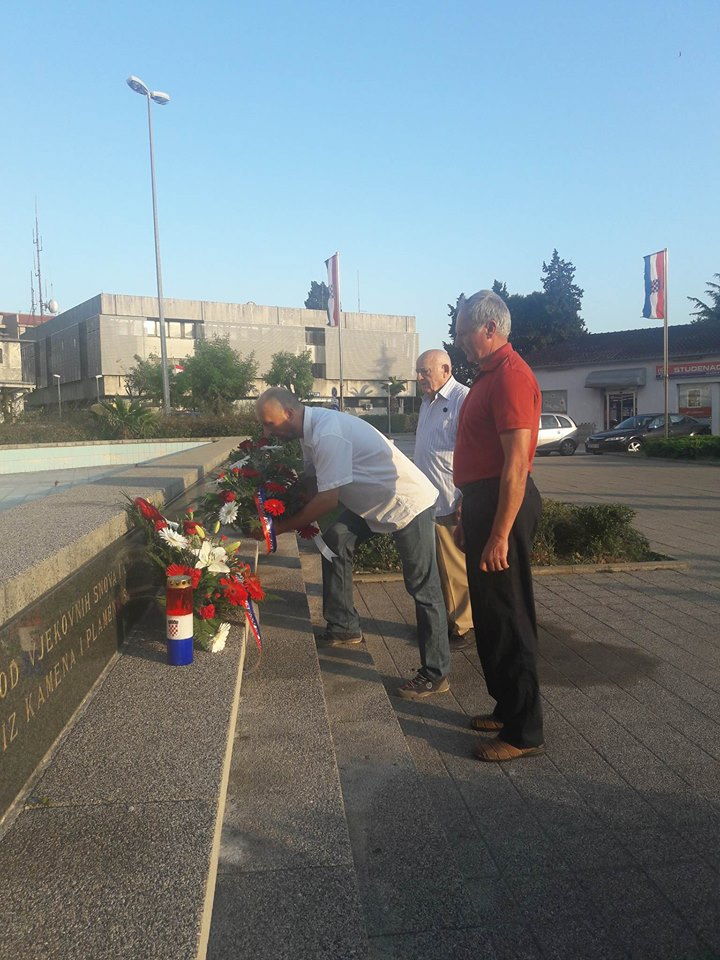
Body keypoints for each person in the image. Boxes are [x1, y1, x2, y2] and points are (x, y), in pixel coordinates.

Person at [254, 387, 451, 699]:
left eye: (269, 424)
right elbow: (313, 479)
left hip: (407, 505)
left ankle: (436, 674)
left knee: (423, 588)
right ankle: (344, 626)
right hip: (373, 504)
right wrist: (283, 503)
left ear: (288, 414)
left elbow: (328, 500)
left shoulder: (327, 433)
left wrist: (277, 527)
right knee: (335, 539)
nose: (267, 432)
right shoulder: (308, 430)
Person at [453, 291, 545, 762]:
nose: (458, 341)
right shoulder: (488, 376)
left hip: (503, 504)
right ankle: (508, 708)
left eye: (463, 332)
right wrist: (468, 514)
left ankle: (525, 732)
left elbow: (515, 466)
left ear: (490, 329)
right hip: (484, 502)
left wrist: (499, 533)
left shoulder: (511, 377)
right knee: (490, 616)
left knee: (509, 615)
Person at [414, 349, 473, 650]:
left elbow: (474, 450)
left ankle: (462, 626)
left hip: (450, 498)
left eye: (424, 371)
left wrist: (466, 495)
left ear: (446, 369)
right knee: (435, 569)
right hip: (427, 499)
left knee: (454, 568)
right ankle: (443, 622)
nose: (419, 377)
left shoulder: (464, 399)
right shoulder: (427, 401)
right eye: (418, 372)